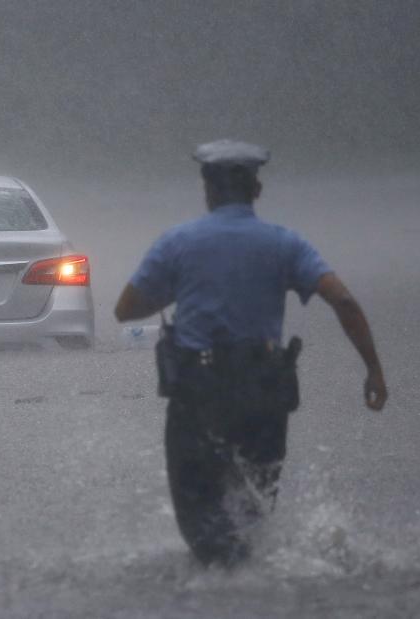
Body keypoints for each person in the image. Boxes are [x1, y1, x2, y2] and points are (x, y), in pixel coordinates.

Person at [113, 139, 387, 565]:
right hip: (263, 392)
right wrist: (373, 371)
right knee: (254, 513)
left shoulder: (177, 243)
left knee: (201, 520)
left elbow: (125, 309)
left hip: (197, 393)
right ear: (255, 190)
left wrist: (177, 289)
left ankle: (213, 595)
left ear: (207, 191)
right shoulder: (286, 244)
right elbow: (345, 302)